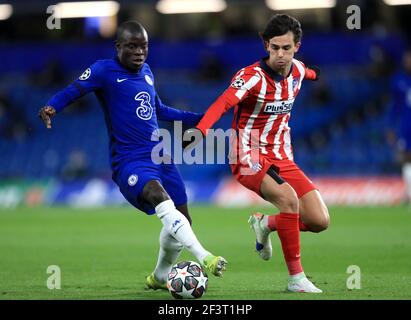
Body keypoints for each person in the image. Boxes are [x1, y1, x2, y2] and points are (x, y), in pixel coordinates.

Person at [38, 21, 227, 290]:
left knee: (183, 219)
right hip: (129, 161)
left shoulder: (147, 72)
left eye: (144, 46)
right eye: (132, 46)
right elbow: (73, 90)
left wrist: (198, 119)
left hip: (160, 158)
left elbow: (158, 109)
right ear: (118, 47)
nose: (139, 52)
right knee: (157, 194)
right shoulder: (103, 70)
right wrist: (52, 106)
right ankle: (205, 257)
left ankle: (160, 277)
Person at [183, 14, 329, 293]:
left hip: (282, 156)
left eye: (286, 48)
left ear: (297, 46)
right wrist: (200, 130)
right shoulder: (251, 77)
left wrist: (315, 73)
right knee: (288, 200)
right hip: (246, 155)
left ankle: (266, 224)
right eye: (274, 48)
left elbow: (307, 72)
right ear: (266, 46)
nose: (280, 55)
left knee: (319, 221)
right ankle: (296, 279)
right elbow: (223, 103)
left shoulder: (297, 70)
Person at [386, 48, 411, 204]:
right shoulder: (399, 80)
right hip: (406, 126)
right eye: (407, 58)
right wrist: (390, 126)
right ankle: (409, 193)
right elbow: (394, 106)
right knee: (406, 159)